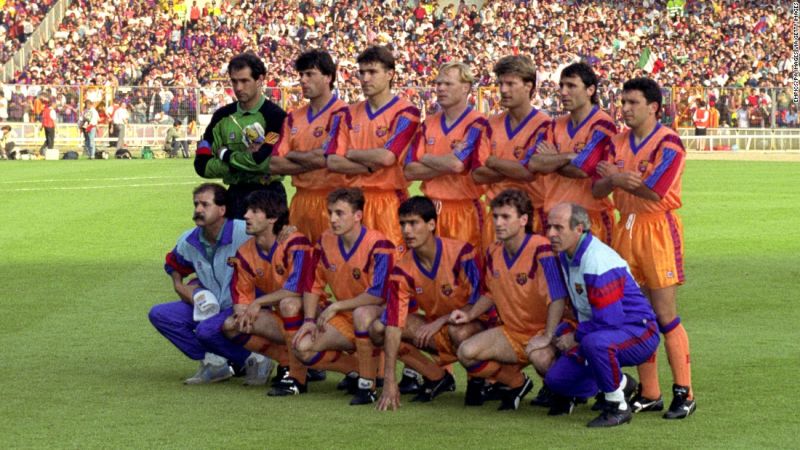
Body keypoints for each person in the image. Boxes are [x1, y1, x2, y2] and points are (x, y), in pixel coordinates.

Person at [593, 77, 696, 420]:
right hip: (626, 227)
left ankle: (685, 392)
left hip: (657, 230)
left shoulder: (669, 143)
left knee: (665, 316)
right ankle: (651, 392)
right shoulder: (617, 141)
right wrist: (620, 180)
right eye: (623, 102)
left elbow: (656, 190)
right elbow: (597, 188)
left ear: (653, 107)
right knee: (637, 316)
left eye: (633, 103)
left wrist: (617, 178)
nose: (626, 109)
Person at [542, 202, 660, 427]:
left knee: (596, 344)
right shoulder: (567, 254)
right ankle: (621, 384)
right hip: (606, 329)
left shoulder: (597, 260)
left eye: (558, 228)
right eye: (549, 227)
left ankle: (617, 406)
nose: (551, 234)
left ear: (579, 229)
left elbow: (610, 319)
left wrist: (576, 337)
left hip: (639, 330)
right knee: (556, 381)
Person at [449, 189, 568, 410]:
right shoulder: (493, 250)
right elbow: (490, 293)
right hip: (512, 333)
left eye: (506, 217)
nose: (498, 223)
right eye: (495, 217)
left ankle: (564, 394)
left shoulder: (541, 249)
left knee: (541, 357)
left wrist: (548, 335)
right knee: (466, 352)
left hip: (544, 331)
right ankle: (517, 383)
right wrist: (469, 314)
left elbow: (558, 297)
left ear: (523, 220)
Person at [148, 184, 272, 385]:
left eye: (205, 204)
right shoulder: (189, 239)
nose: (198, 209)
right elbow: (173, 264)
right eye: (196, 204)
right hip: (210, 305)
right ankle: (215, 363)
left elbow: (276, 244)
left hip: (244, 304)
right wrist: (179, 286)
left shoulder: (245, 232)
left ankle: (256, 358)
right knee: (161, 315)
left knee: (207, 331)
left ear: (222, 210)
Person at [374, 196, 485, 410]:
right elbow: (395, 324)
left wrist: (443, 320)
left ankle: (489, 380)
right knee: (379, 327)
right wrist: (389, 381)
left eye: (413, 223)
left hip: (475, 329)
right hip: (438, 331)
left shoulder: (462, 253)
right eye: (403, 224)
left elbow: (482, 301)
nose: (406, 230)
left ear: (432, 224)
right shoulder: (402, 268)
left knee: (459, 331)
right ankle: (436, 376)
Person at [293, 188, 395, 405]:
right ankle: (359, 369)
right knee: (303, 348)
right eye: (330, 212)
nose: (332, 219)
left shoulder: (380, 244)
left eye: (340, 213)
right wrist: (309, 320)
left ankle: (367, 386)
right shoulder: (325, 241)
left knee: (362, 313)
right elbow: (312, 285)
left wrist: (337, 306)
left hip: (377, 317)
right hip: (346, 316)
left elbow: (378, 295)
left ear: (358, 216)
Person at [324, 46, 421, 245]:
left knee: (392, 263)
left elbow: (387, 157)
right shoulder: (347, 114)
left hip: (389, 201)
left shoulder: (406, 112)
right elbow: (333, 161)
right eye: (362, 72)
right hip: (352, 202)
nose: (365, 78)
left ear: (389, 74)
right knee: (356, 265)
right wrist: (368, 166)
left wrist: (350, 153)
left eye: (372, 72)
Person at [223, 190, 314, 395]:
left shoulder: (295, 243)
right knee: (232, 325)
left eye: (255, 211)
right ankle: (286, 360)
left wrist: (259, 302)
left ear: (273, 218)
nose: (246, 215)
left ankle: (297, 374)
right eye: (247, 210)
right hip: (282, 318)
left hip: (313, 315)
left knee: (289, 304)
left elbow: (297, 288)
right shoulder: (245, 252)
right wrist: (243, 312)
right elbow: (241, 294)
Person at [527, 62, 618, 244]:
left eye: (571, 86)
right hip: (554, 216)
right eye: (562, 86)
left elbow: (583, 169)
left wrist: (552, 161)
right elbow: (534, 163)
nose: (563, 92)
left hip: (589, 218)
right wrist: (569, 156)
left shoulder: (603, 125)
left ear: (590, 90)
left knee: (590, 272)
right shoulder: (555, 124)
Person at [403, 62, 489, 251]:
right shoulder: (428, 124)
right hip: (429, 211)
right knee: (429, 273)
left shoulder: (478, 123)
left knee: (465, 273)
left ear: (465, 87)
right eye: (438, 83)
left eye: (448, 84)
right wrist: (446, 163)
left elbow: (457, 165)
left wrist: (425, 158)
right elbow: (409, 170)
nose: (440, 88)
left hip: (464, 211)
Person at [194, 52, 288, 218]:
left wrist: (225, 154)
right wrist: (243, 164)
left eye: (245, 81)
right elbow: (201, 165)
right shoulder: (221, 116)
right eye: (234, 81)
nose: (238, 88)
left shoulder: (276, 116)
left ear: (259, 80)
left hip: (270, 196)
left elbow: (264, 162)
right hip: (235, 196)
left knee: (269, 245)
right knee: (234, 245)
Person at [270, 50, 348, 244]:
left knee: (331, 266)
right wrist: (317, 159)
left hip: (334, 202)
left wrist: (294, 155)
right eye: (301, 75)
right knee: (298, 263)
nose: (303, 80)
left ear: (328, 77)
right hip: (300, 203)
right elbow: (274, 164)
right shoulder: (293, 117)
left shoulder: (344, 114)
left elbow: (331, 159)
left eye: (310, 74)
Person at [471, 55, 551, 244]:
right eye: (501, 84)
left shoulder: (545, 126)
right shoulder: (491, 124)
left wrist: (493, 161)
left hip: (532, 218)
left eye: (510, 84)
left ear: (528, 86)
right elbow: (477, 174)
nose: (503, 90)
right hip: (496, 217)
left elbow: (528, 173)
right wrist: (514, 169)